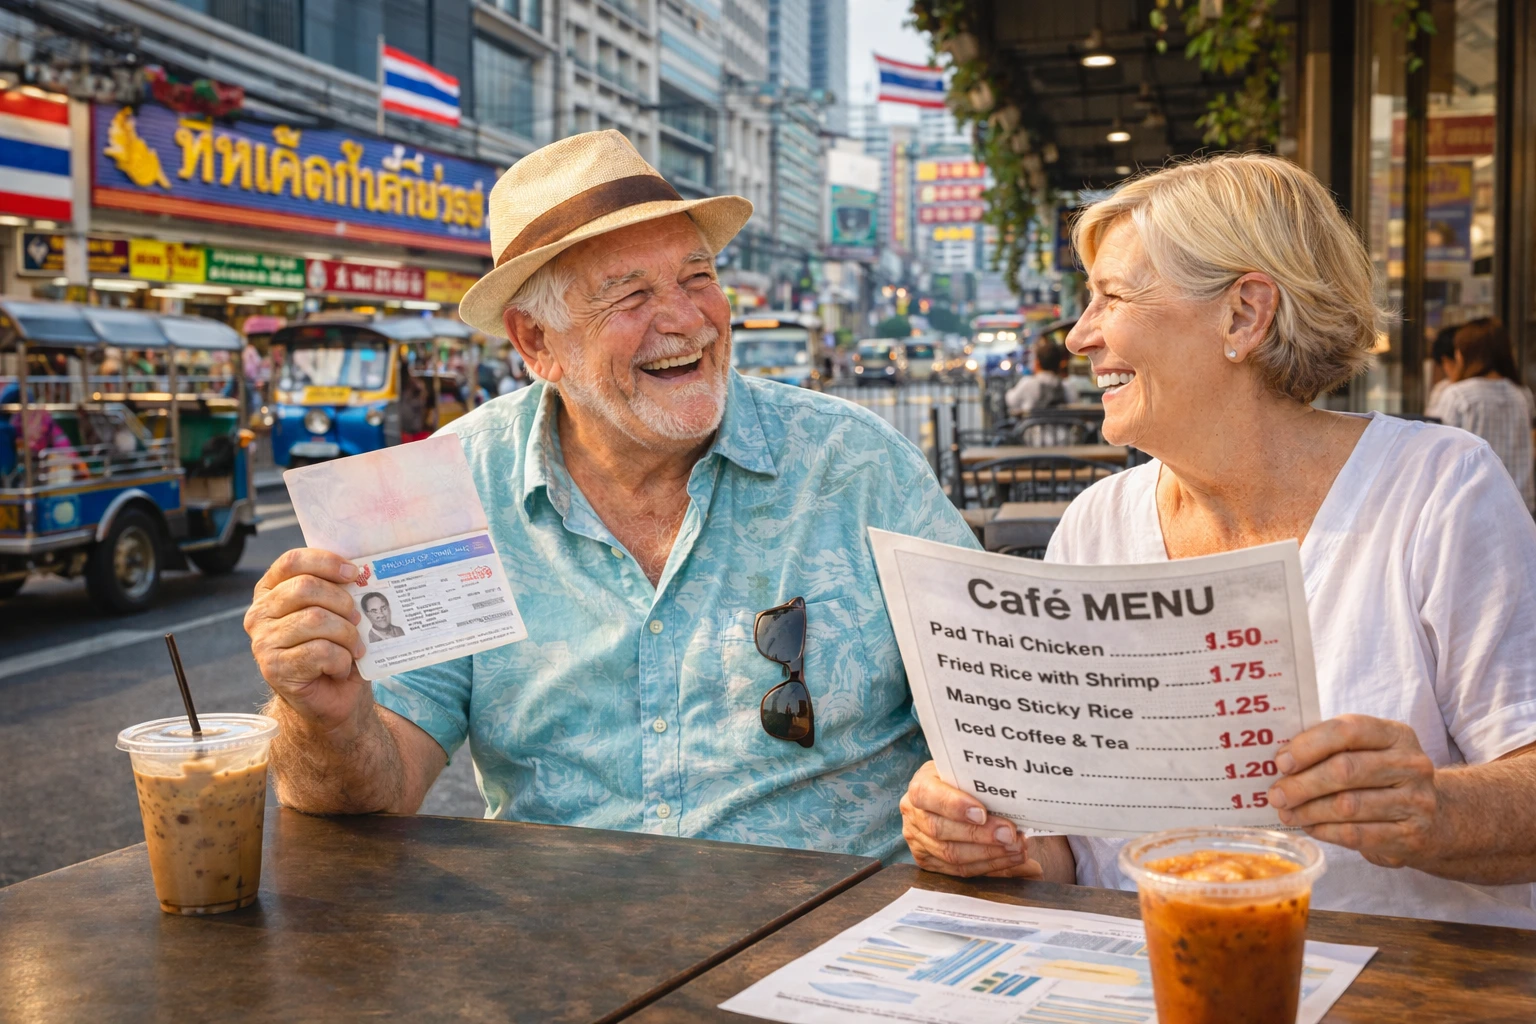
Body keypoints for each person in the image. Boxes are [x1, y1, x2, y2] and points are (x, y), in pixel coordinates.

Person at [243, 130, 978, 862]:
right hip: (575, 954)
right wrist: (324, 717)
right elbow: (378, 794)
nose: (687, 320)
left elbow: (998, 707)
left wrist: (964, 807)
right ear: (536, 343)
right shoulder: (447, 487)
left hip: (838, 941)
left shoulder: (854, 463)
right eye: (630, 294)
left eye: (698, 278)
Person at [900, 153, 1536, 929]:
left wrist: (1433, 809)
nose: (1078, 337)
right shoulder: (1097, 523)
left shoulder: (1437, 490)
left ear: (1243, 315)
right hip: (1142, 978)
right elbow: (1073, 850)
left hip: (1398, 986)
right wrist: (995, 841)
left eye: (1110, 298)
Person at [1431, 318, 1534, 513]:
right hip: (1521, 506)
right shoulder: (1521, 393)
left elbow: (1439, 453)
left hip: (1474, 507)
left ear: (1464, 354)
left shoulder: (1458, 394)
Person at [1004, 340, 1077, 417]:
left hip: (1031, 428)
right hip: (1063, 428)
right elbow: (1075, 407)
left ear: (1037, 363)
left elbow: (1011, 401)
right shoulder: (1067, 386)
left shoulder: (1027, 383)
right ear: (1060, 364)